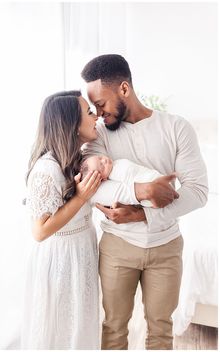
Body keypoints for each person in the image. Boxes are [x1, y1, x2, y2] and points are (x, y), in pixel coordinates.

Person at [81, 54, 208, 350]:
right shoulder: (98, 136)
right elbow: (91, 189)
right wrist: (143, 191)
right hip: (116, 248)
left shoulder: (177, 127)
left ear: (124, 89)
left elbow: (198, 191)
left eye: (101, 104)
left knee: (161, 332)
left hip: (166, 247)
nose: (98, 115)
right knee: (113, 328)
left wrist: (142, 215)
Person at [21, 90, 103, 349]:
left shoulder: (75, 160)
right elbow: (40, 231)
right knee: (60, 331)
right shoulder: (47, 169)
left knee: (79, 327)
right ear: (71, 124)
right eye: (89, 112)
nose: (96, 116)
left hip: (82, 252)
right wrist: (79, 199)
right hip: (61, 260)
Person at [80, 154, 165, 207]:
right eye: (102, 166)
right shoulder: (115, 175)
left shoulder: (116, 163)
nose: (104, 160)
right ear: (103, 179)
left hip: (153, 179)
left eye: (100, 157)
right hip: (151, 186)